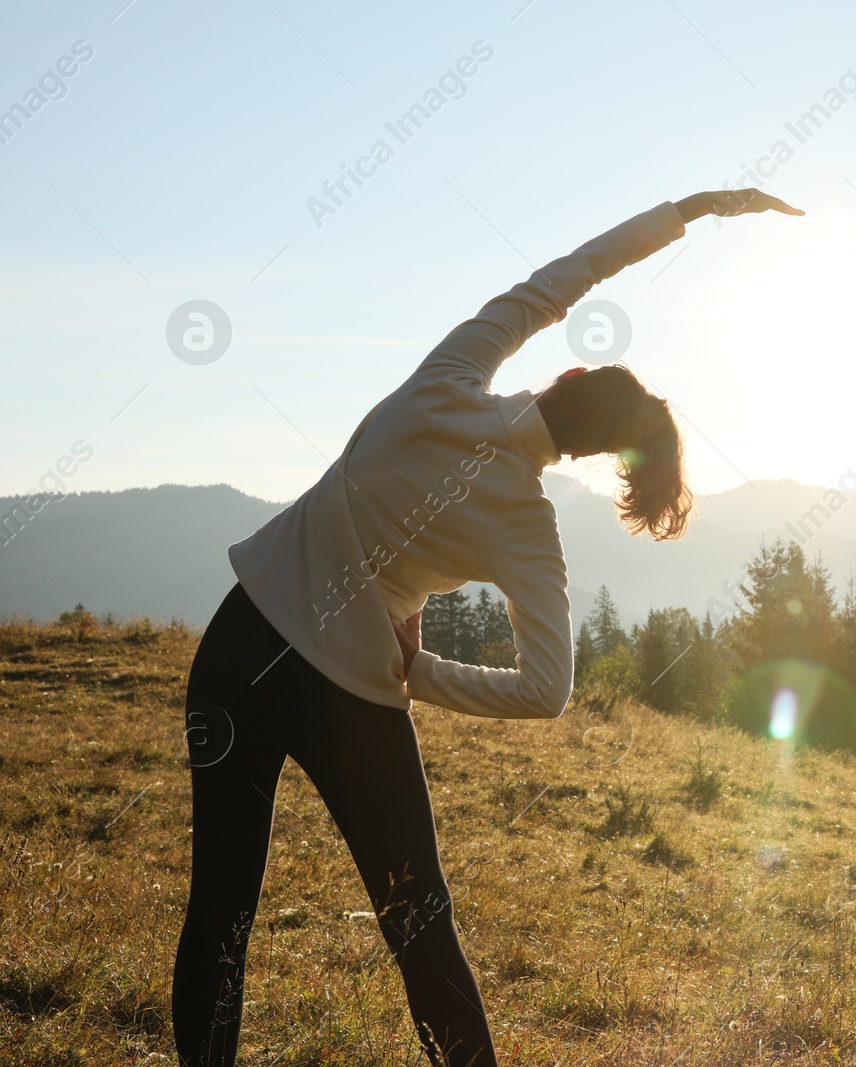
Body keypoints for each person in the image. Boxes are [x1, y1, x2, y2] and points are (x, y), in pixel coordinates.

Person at [173, 189, 802, 1067]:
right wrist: (422, 671)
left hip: (239, 646)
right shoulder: (527, 528)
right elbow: (550, 690)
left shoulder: (452, 372)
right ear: (593, 457)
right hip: (352, 698)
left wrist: (689, 211)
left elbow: (561, 281)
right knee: (423, 934)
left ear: (570, 377)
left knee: (222, 910)